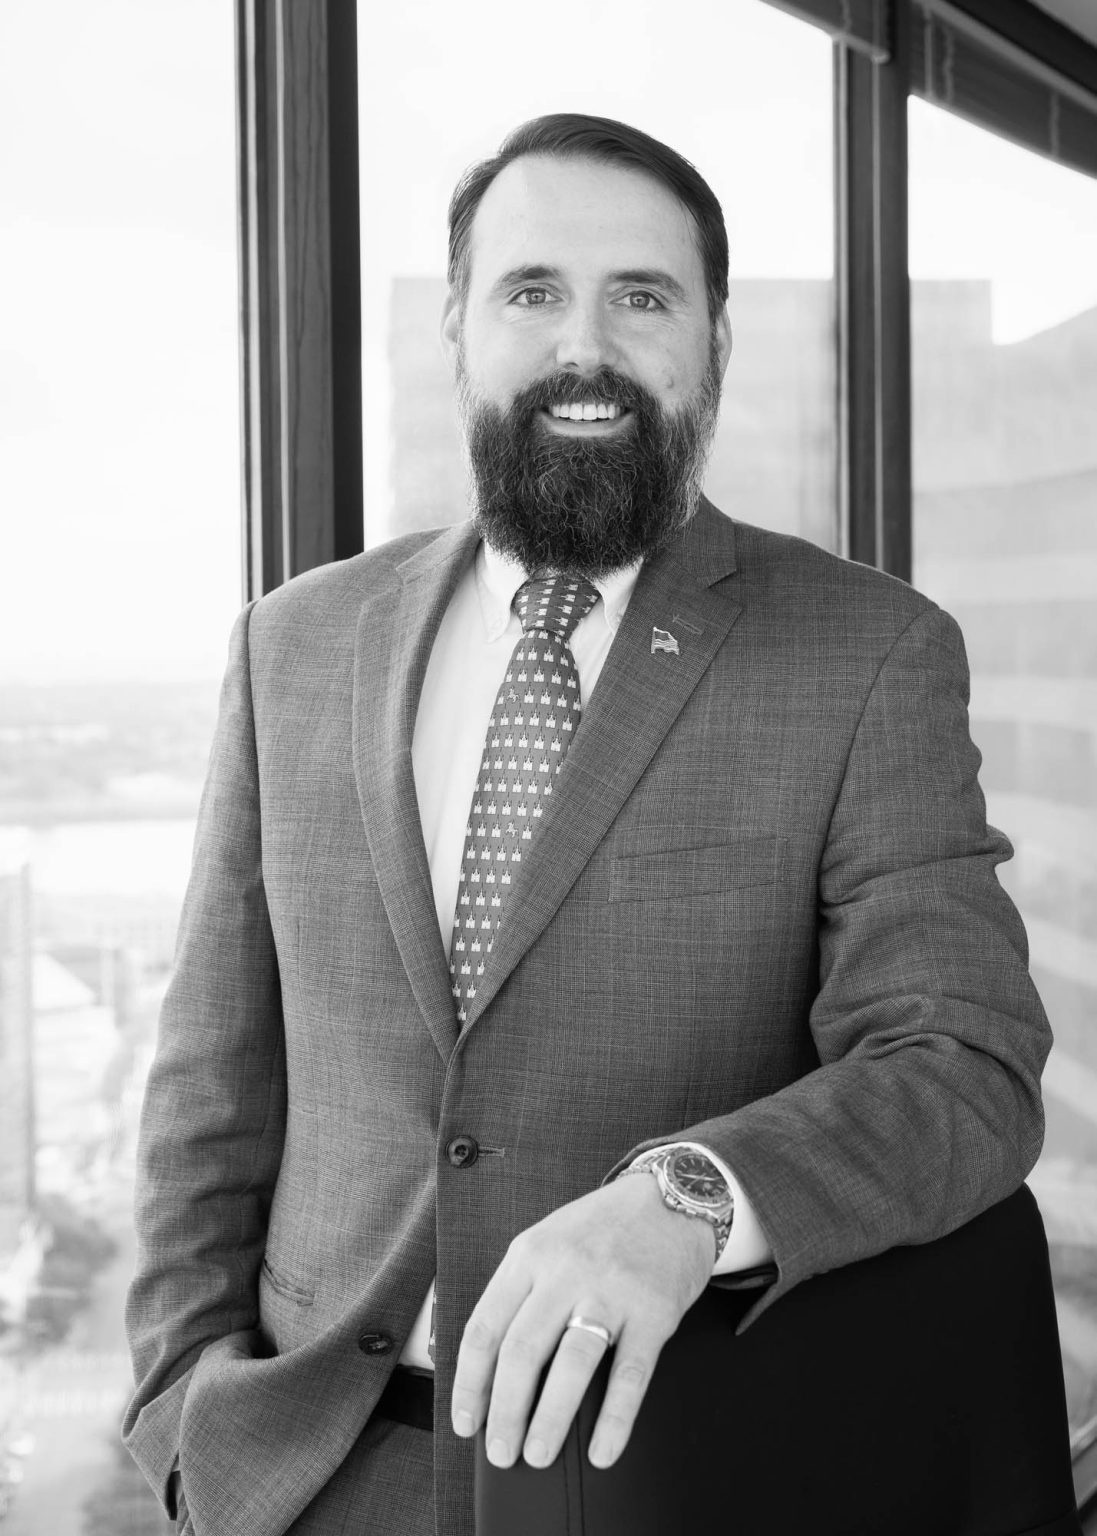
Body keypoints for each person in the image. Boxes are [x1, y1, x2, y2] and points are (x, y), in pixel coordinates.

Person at [124, 114, 1051, 1536]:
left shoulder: (866, 654)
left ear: (714, 342)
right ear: (458, 327)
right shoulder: (292, 646)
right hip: (305, 1471)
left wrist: (686, 1197)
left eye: (641, 296)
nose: (584, 346)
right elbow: (210, 1089)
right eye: (532, 290)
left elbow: (962, 1064)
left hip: (667, 1471)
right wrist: (180, 1420)